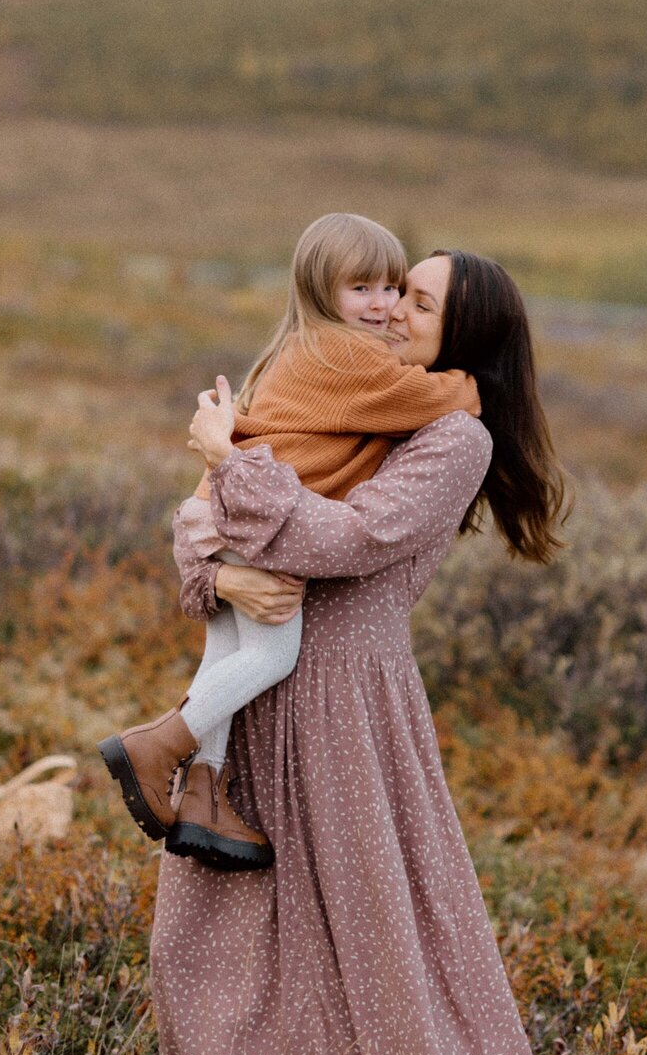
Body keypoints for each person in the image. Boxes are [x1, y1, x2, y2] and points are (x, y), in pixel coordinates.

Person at [150, 248, 578, 1055]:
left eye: (418, 300)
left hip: (345, 701)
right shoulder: (346, 389)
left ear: (462, 330)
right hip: (258, 684)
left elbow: (346, 541)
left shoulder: (455, 437)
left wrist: (227, 454)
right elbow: (202, 521)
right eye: (388, 291)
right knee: (212, 913)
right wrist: (217, 572)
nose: (391, 310)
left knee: (365, 928)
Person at [99, 212, 479, 869]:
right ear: (319, 290)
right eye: (362, 288)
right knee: (271, 652)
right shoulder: (352, 356)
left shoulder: (299, 347)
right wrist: (474, 381)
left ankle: (204, 790)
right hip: (255, 518)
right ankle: (159, 744)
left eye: (392, 288)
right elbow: (427, 400)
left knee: (224, 653)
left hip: (222, 511)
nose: (383, 304)